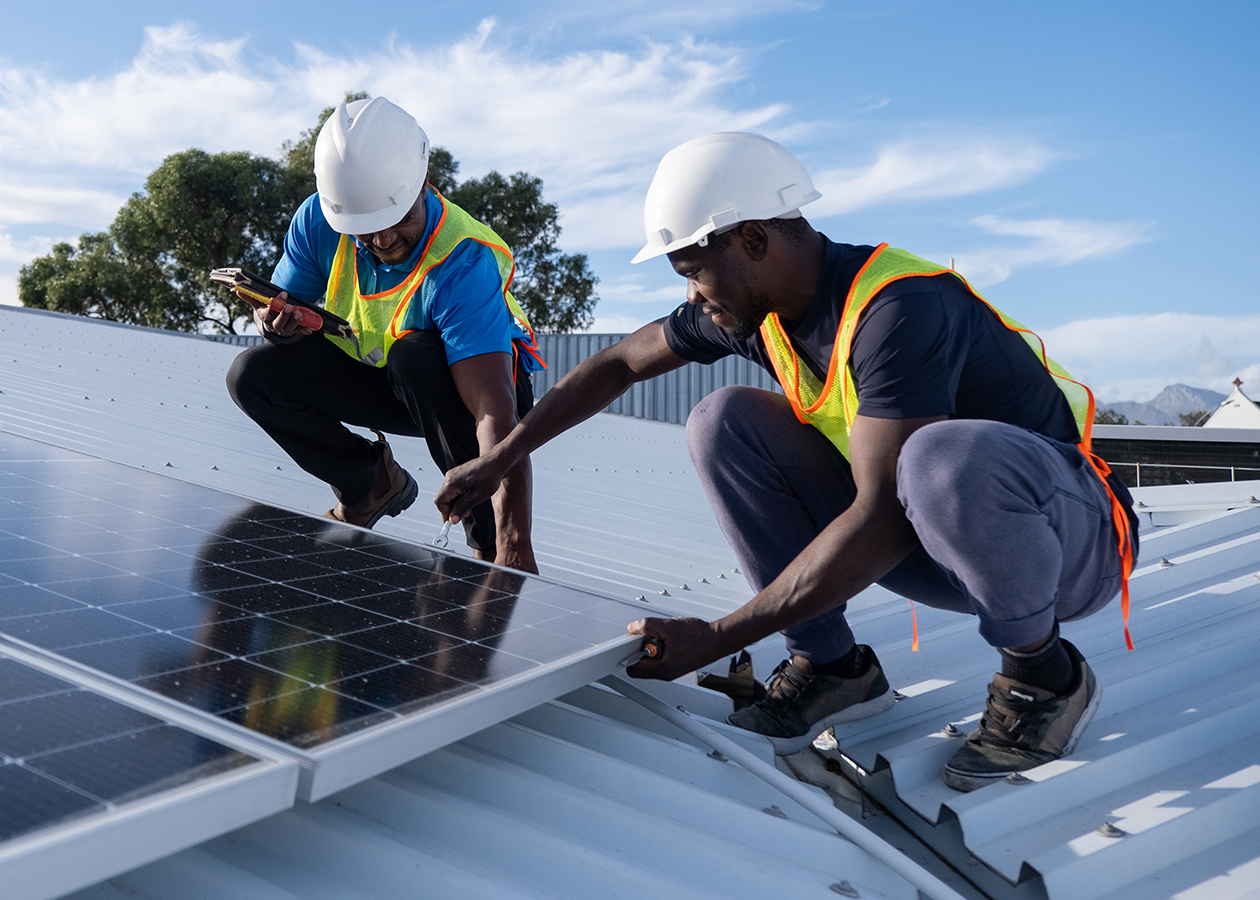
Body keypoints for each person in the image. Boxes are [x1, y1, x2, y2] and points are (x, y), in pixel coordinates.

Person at [434, 132, 1137, 791]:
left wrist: (716, 638)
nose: (691, 295)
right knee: (722, 421)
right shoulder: (757, 310)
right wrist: (501, 457)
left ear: (753, 239)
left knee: (935, 458)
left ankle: (1042, 677)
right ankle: (834, 668)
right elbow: (620, 363)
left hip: (1068, 548)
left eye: (694, 272)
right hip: (937, 547)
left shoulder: (900, 311)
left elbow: (882, 519)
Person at [227, 97, 542, 573]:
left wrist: (512, 546)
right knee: (252, 374)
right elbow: (280, 313)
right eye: (365, 231)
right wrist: (274, 325)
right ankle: (370, 484)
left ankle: (485, 552)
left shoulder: (462, 260)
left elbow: (492, 411)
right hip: (383, 377)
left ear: (420, 185)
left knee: (414, 356)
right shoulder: (321, 221)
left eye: (396, 221)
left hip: (467, 392)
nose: (383, 240)